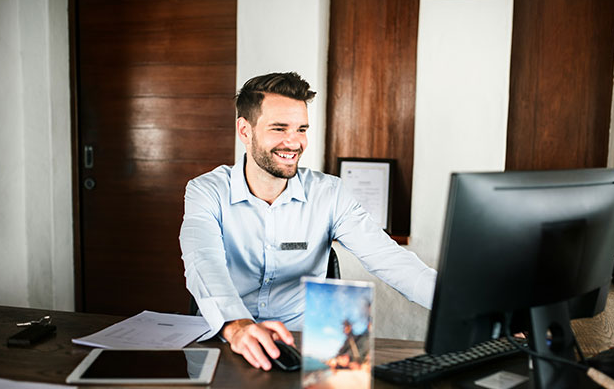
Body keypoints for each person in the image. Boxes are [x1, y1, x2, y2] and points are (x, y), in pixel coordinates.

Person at [179, 72, 436, 371]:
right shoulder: (205, 191)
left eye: (301, 129)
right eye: (279, 128)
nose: (294, 142)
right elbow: (203, 262)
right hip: (227, 341)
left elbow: (391, 260)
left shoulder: (329, 194)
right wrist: (237, 326)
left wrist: (466, 310)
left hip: (304, 350)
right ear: (245, 131)